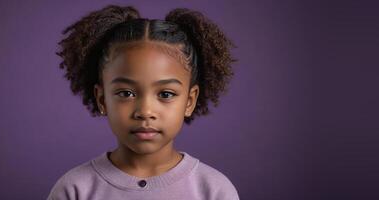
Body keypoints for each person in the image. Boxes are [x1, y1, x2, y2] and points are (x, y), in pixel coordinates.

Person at [47, 4, 239, 200]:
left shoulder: (213, 190)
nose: (145, 111)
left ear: (189, 101)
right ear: (102, 99)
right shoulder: (74, 190)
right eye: (126, 93)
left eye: (165, 94)